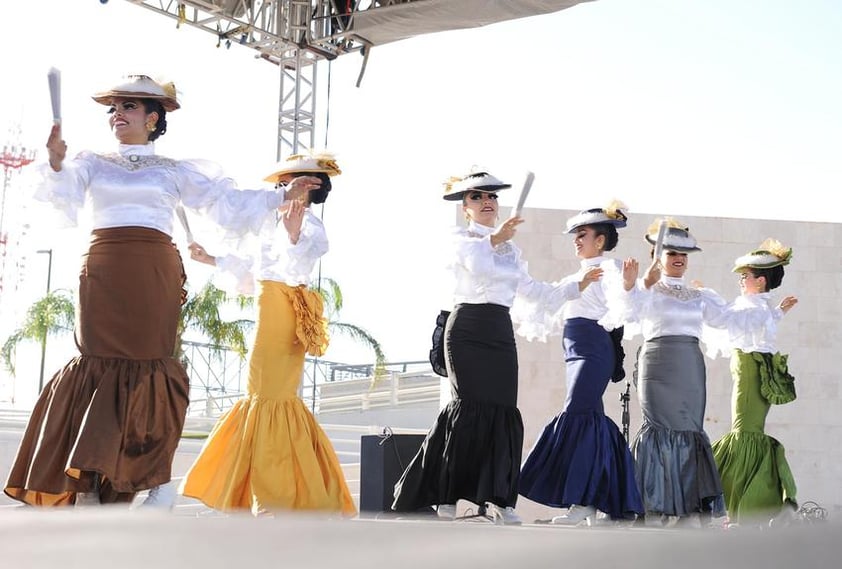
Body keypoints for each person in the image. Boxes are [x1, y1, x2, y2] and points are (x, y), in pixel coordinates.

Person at [3, 75, 321, 507]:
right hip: (104, 266)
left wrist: (284, 194)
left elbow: (226, 203)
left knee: (150, 365)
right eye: (113, 108)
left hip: (154, 268)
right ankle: (93, 476)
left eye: (129, 107)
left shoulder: (174, 170)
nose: (117, 114)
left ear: (153, 119)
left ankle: (151, 475)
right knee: (96, 359)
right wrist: (57, 162)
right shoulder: (91, 161)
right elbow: (62, 195)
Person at [391, 171, 600, 524]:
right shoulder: (459, 239)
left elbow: (533, 292)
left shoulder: (511, 249)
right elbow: (474, 263)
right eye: (477, 197)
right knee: (466, 410)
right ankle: (446, 496)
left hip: (499, 331)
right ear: (465, 209)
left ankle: (500, 500)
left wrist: (575, 286)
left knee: (503, 411)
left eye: (491, 197)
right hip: (466, 329)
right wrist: (493, 240)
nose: (487, 202)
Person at [178, 152, 356, 517]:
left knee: (268, 395)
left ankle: (272, 496)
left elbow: (297, 266)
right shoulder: (268, 220)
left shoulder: (311, 226)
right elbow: (251, 270)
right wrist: (209, 259)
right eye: (282, 184)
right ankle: (266, 493)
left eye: (293, 183)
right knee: (263, 394)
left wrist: (292, 235)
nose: (284, 189)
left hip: (284, 307)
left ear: (310, 187)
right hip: (269, 303)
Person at [518, 202, 644, 526]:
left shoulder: (612, 269)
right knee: (592, 421)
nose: (576, 239)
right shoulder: (577, 275)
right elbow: (545, 297)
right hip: (574, 352)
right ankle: (611, 501)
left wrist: (629, 285)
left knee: (577, 414)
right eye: (575, 234)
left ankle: (584, 501)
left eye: (582, 234)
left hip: (594, 349)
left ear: (600, 240)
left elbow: (627, 306)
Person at [624, 218, 727, 527]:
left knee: (689, 430)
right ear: (658, 255)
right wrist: (635, 284)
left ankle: (690, 509)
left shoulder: (701, 295)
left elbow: (729, 319)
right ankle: (653, 507)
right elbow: (626, 312)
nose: (679, 259)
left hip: (690, 364)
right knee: (657, 429)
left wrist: (767, 309)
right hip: (657, 363)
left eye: (684, 253)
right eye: (672, 253)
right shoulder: (648, 289)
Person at [708, 239, 799, 525]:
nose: (740, 280)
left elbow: (724, 321)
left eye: (745, 276)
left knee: (745, 434)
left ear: (759, 281)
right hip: (751, 369)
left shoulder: (750, 307)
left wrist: (702, 297)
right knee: (748, 433)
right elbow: (763, 326)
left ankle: (741, 509)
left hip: (749, 371)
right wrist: (780, 312)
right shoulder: (758, 306)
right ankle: (752, 506)